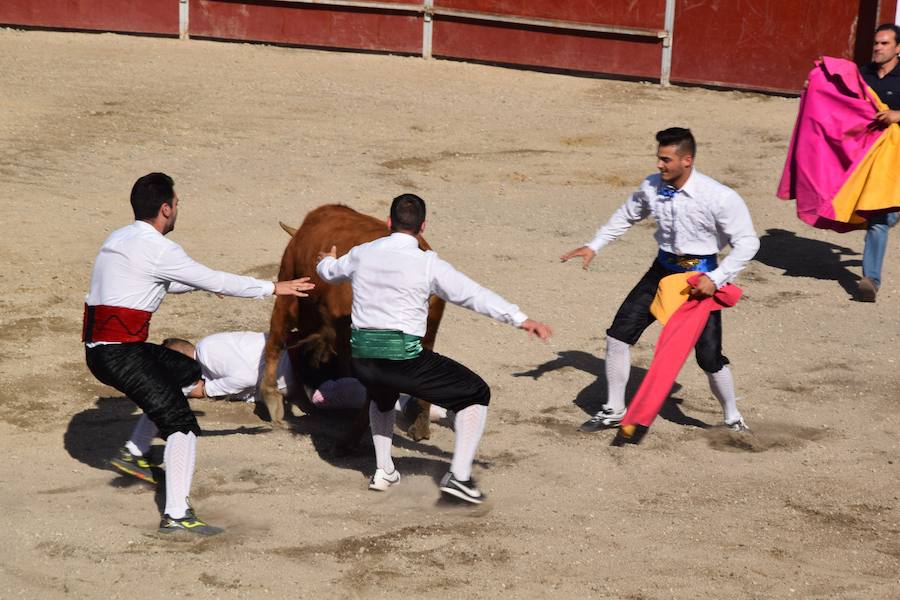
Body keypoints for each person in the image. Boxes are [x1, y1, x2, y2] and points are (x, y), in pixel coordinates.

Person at [83, 172, 314, 536]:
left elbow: (158, 279)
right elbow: (213, 278)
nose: (177, 209)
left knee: (186, 374)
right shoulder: (160, 249)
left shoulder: (119, 238)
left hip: (102, 350)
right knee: (181, 425)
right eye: (176, 204)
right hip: (122, 353)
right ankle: (176, 514)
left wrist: (196, 286)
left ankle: (133, 452)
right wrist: (273, 287)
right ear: (165, 208)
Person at [316, 193, 553, 504]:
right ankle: (461, 477)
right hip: (401, 358)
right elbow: (472, 294)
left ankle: (384, 471)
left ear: (389, 223)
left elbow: (330, 272)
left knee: (382, 395)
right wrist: (520, 319)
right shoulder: (428, 264)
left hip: (361, 358)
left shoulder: (362, 253)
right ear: (423, 227)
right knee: (476, 393)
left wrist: (326, 262)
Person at [561, 128, 759, 433]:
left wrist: (717, 278)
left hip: (699, 280)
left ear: (687, 160)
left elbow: (748, 242)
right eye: (659, 158)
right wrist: (594, 245)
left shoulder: (719, 197)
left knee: (708, 357)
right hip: (662, 270)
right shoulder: (652, 186)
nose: (659, 165)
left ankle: (732, 417)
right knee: (618, 336)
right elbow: (626, 215)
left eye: (666, 159)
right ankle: (614, 409)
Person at [856, 23, 900, 302]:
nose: (877, 48)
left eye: (884, 44)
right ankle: (871, 278)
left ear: (898, 48)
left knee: (887, 214)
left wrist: (899, 114)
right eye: (876, 43)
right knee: (879, 217)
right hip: (874, 156)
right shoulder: (864, 74)